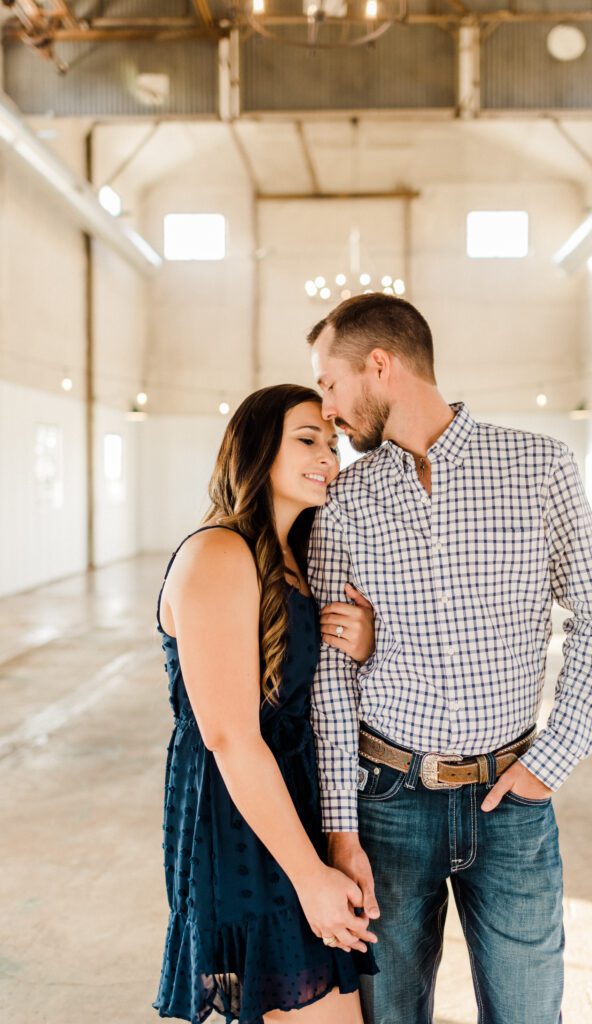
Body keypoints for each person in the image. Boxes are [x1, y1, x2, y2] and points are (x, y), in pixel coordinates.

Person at [305, 293, 592, 1024]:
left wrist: (551, 762)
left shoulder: (538, 468)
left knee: (526, 1014)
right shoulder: (346, 500)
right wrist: (341, 828)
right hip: (386, 804)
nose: (327, 409)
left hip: (511, 806)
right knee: (389, 1016)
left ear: (379, 366)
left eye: (330, 383)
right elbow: (330, 677)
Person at [152, 384, 379, 1024]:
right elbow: (228, 736)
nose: (327, 458)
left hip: (287, 802)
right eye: (307, 440)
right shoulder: (219, 552)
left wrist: (359, 645)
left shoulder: (291, 554)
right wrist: (311, 878)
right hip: (237, 818)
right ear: (255, 451)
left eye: (332, 445)